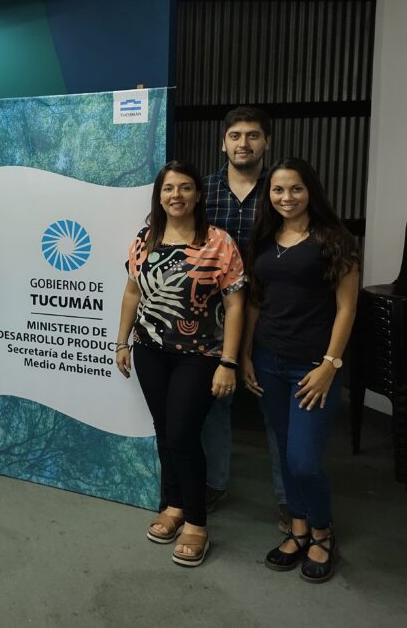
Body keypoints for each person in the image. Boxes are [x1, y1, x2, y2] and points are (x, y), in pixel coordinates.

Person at [115, 160, 246, 567]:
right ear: (159, 196)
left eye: (185, 187)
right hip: (150, 350)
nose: (177, 195)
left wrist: (229, 362)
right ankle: (173, 505)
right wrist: (121, 342)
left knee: (184, 433)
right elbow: (132, 292)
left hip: (201, 355)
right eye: (169, 188)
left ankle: (196, 523)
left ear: (198, 194)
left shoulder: (218, 242)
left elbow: (236, 304)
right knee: (164, 429)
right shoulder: (145, 239)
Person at [242, 158, 359, 583]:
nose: (286, 197)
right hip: (268, 362)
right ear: (268, 195)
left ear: (310, 191)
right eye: (278, 190)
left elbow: (347, 308)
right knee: (284, 451)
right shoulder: (264, 238)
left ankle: (323, 532)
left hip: (313, 367)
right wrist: (246, 354)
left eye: (295, 189)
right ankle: (298, 528)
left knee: (304, 461)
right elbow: (255, 301)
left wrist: (331, 365)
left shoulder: (335, 240)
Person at [201, 106, 289, 527]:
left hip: (273, 314)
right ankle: (213, 483)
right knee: (214, 404)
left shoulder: (282, 191)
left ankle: (290, 501)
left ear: (266, 142)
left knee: (276, 409)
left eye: (253, 135)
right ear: (223, 143)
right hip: (211, 317)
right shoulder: (202, 191)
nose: (243, 143)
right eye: (235, 136)